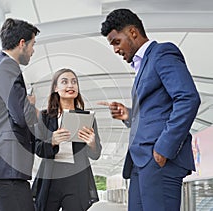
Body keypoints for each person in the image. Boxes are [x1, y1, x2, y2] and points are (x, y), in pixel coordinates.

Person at [99, 9, 201, 211]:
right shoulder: (143, 66)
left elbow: (188, 98)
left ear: (133, 32)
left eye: (116, 42)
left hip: (159, 161)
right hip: (141, 162)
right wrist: (128, 114)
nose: (115, 50)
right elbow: (155, 110)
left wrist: (163, 149)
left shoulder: (162, 53)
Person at [0, 18, 40, 211]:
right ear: (22, 43)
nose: (33, 50)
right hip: (6, 168)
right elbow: (22, 116)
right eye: (32, 44)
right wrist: (30, 105)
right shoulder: (8, 67)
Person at [32, 68, 102, 211]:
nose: (71, 86)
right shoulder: (45, 117)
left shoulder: (87, 118)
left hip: (76, 178)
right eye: (64, 82)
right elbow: (38, 149)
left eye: (74, 82)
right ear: (56, 88)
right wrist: (52, 141)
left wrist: (92, 143)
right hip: (51, 177)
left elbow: (95, 154)